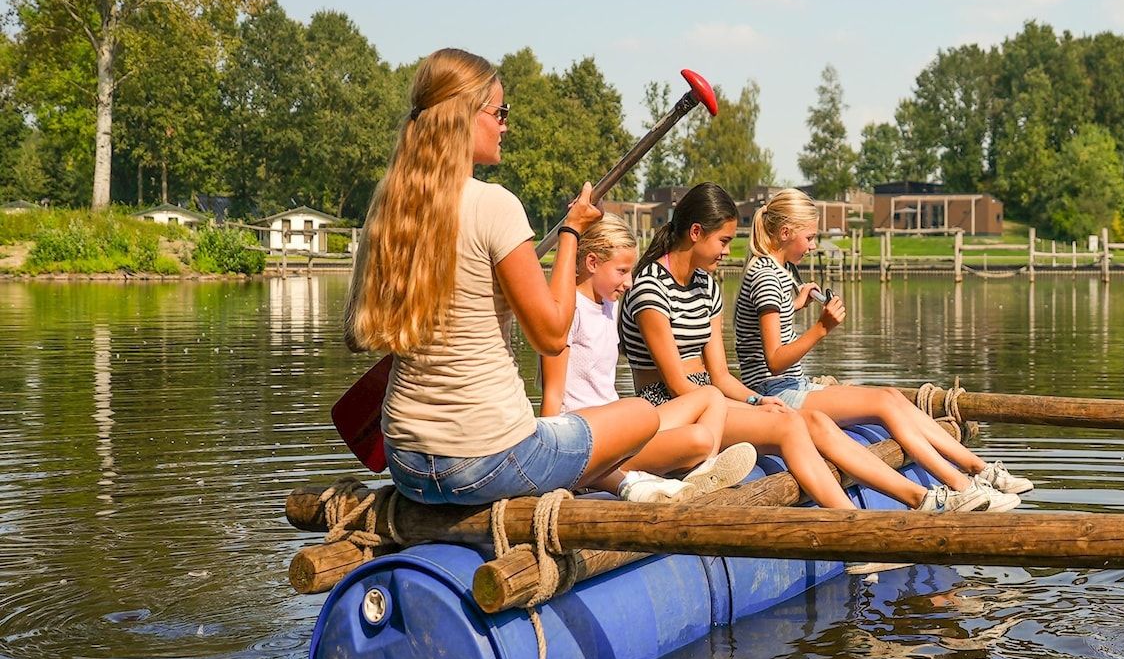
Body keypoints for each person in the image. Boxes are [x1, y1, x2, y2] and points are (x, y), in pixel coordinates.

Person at [346, 48, 677, 506]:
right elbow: (551, 335)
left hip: (407, 462)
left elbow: (355, 333)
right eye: (499, 111)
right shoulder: (495, 204)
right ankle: (614, 481)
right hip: (485, 460)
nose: (505, 124)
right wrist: (571, 232)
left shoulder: (389, 206)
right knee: (641, 414)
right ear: (466, 117)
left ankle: (614, 481)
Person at [620, 183, 998, 514]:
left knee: (810, 419)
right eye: (721, 242)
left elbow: (719, 375)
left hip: (711, 398)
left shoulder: (707, 285)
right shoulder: (651, 289)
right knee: (789, 425)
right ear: (696, 232)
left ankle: (918, 497)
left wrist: (754, 402)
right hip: (670, 407)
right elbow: (676, 385)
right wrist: (748, 403)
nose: (726, 252)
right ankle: (855, 526)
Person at [736, 188, 1033, 502]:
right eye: (809, 238)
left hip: (794, 384)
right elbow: (774, 360)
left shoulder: (778, 272)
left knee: (890, 395)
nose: (812, 246)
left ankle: (977, 468)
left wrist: (795, 305)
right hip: (776, 393)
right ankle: (961, 487)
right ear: (786, 233)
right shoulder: (766, 277)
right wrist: (822, 328)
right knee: (884, 404)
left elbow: (766, 324)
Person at [538, 214, 757, 504]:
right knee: (698, 439)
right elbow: (553, 396)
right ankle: (598, 474)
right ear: (592, 263)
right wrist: (551, 467)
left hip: (618, 429)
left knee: (711, 396)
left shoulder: (606, 305)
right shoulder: (569, 312)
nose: (629, 282)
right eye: (621, 271)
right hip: (588, 441)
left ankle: (702, 474)